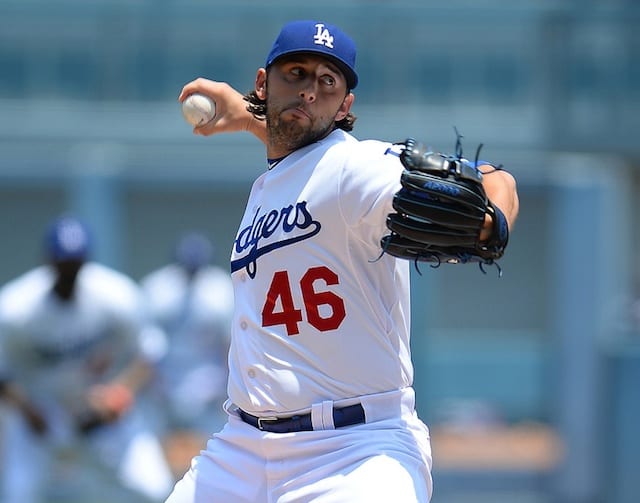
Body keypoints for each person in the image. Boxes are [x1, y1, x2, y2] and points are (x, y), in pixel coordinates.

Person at [168, 19, 519, 502]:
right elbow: (291, 141)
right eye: (296, 72)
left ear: (345, 106)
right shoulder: (276, 179)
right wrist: (248, 119)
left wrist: (494, 215)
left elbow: (493, 177)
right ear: (263, 84)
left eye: (327, 82)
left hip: (356, 454)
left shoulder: (355, 167)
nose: (310, 91)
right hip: (242, 449)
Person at [0, 215, 174, 502]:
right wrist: (26, 408)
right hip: (41, 413)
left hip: (98, 408)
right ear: (48, 261)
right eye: (63, 262)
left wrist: (116, 396)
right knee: (18, 495)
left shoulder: (115, 294)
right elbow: (3, 372)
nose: (69, 270)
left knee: (152, 488)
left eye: (75, 262)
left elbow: (149, 354)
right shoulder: (17, 306)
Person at [139, 232, 233, 476]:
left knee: (213, 463)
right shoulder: (156, 287)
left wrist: (226, 388)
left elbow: (229, 345)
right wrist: (152, 384)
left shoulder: (221, 288)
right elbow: (146, 344)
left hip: (207, 386)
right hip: (164, 384)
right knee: (158, 466)